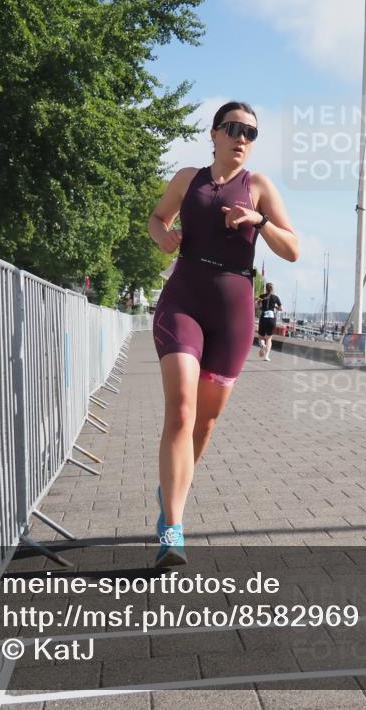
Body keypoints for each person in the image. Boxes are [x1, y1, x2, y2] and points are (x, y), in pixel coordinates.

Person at [147, 101, 299, 567]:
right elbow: (157, 219)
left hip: (233, 312)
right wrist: (163, 236)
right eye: (233, 128)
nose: (242, 138)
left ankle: (170, 489)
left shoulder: (259, 187)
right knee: (182, 409)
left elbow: (293, 249)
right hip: (183, 301)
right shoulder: (187, 178)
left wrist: (260, 221)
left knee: (205, 423)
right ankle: (172, 529)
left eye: (251, 132)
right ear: (214, 133)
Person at [256, 282, 282, 361]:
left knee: (261, 337)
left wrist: (261, 306)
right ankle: (266, 356)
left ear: (266, 288)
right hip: (271, 318)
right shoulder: (276, 298)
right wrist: (276, 307)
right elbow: (280, 309)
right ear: (272, 289)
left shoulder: (261, 297)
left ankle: (263, 345)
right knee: (269, 339)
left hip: (263, 317)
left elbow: (258, 307)